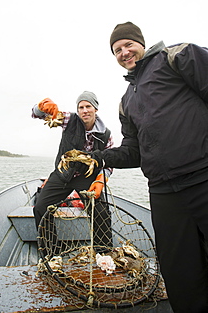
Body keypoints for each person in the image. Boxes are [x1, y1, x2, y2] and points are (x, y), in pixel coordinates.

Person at [93, 21, 208, 312]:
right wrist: (100, 158)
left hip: (204, 176)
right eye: (117, 50)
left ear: (141, 43)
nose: (124, 52)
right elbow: (134, 152)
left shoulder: (177, 57)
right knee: (180, 274)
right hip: (164, 193)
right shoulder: (126, 101)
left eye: (128, 45)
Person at [31, 91, 114, 252]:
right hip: (63, 173)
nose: (84, 110)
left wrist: (101, 179)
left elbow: (109, 162)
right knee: (40, 207)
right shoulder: (70, 120)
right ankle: (51, 252)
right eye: (81, 107)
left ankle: (103, 252)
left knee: (101, 211)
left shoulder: (106, 135)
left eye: (88, 106)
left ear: (95, 108)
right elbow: (38, 115)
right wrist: (41, 107)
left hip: (87, 177)